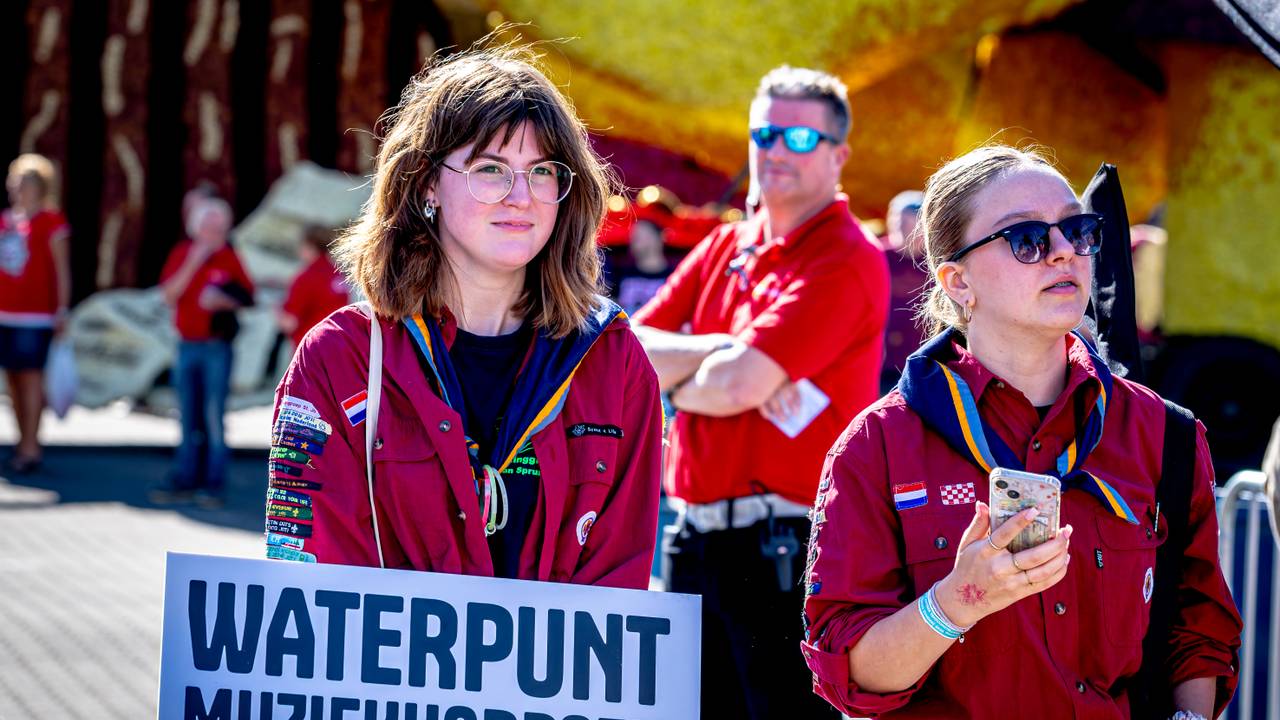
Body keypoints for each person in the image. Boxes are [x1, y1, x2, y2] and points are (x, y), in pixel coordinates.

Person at [802, 145, 1242, 718]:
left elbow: (1197, 631)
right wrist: (958, 601)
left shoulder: (1167, 434)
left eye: (1077, 230)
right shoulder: (876, 446)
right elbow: (848, 673)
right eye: (1027, 238)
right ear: (957, 281)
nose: (1063, 252)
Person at [264, 43, 663, 590]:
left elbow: (620, 583)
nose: (520, 196)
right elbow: (310, 582)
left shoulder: (613, 362)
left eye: (542, 171)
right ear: (426, 183)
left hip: (550, 677)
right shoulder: (342, 359)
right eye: (490, 169)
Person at [633, 65, 889, 719]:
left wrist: (701, 377)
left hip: (791, 548)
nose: (775, 150)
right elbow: (626, 353)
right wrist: (718, 358)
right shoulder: (726, 242)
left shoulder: (847, 255)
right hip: (691, 538)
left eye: (799, 139)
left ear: (839, 156)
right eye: (765, 133)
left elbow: (737, 385)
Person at [153, 196, 255, 507]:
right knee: (186, 416)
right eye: (210, 228)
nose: (215, 234)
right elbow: (169, 295)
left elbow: (249, 296)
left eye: (220, 228)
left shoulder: (230, 256)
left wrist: (224, 301)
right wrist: (194, 261)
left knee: (213, 417)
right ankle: (185, 477)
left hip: (216, 347)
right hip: (186, 346)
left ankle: (213, 482)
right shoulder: (183, 253)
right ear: (196, 229)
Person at [0, 154, 71, 474]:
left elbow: (61, 270)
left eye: (25, 184)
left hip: (36, 315)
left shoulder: (51, 222)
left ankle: (32, 445)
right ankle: (19, 440)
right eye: (15, 184)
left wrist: (62, 309)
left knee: (31, 379)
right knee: (12, 380)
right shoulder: (5, 221)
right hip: (5, 312)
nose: (18, 190)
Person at [881, 189, 930, 392]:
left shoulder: (935, 263)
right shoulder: (878, 256)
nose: (902, 227)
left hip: (922, 361)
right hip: (881, 362)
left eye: (909, 222)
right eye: (898, 221)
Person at [278, 224, 350, 351]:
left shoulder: (306, 277)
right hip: (336, 347)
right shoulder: (337, 274)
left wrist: (276, 310)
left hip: (309, 351)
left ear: (309, 245)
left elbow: (290, 323)